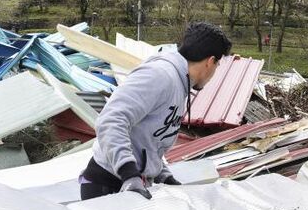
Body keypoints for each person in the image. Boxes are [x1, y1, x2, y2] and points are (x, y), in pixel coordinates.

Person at [79, 22, 232, 200]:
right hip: (107, 185)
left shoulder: (180, 83)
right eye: (217, 65)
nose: (215, 71)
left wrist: (163, 174)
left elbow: (150, 139)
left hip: (130, 183)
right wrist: (129, 174)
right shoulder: (160, 75)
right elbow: (111, 119)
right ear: (211, 61)